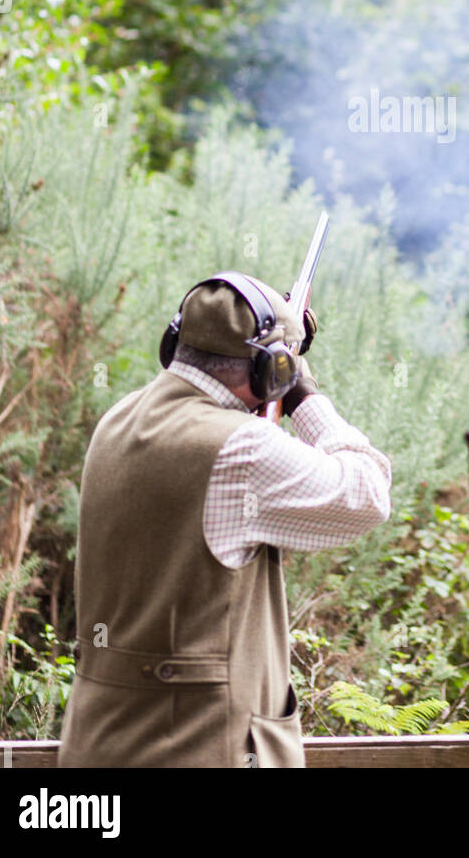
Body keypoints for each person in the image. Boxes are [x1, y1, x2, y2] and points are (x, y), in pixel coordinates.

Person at [57, 272, 392, 769]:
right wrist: (303, 396)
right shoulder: (241, 448)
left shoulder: (117, 421)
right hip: (200, 748)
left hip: (96, 751)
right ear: (270, 369)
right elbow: (368, 492)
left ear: (176, 342)